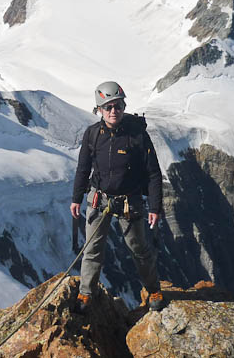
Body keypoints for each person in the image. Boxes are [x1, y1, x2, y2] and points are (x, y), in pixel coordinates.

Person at [71, 81, 165, 312]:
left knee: (139, 248)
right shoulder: (93, 135)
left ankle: (153, 289)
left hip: (128, 201)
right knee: (92, 248)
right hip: (99, 199)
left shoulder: (137, 135)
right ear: (99, 109)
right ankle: (86, 293)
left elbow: (153, 173)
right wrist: (76, 197)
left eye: (118, 106)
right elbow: (83, 168)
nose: (114, 111)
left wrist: (155, 207)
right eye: (108, 107)